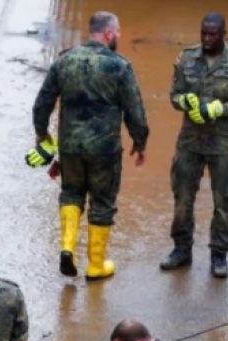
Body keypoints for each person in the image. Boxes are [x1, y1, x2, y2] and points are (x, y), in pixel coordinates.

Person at [31, 11, 149, 280]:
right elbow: (135, 110)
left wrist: (42, 135)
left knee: (71, 193)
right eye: (117, 32)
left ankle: (67, 248)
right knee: (102, 201)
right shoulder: (119, 66)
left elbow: (42, 104)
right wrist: (140, 141)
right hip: (104, 149)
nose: (119, 36)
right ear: (108, 33)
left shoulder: (64, 61)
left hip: (70, 146)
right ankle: (96, 265)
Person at [159, 12, 228, 278]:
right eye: (203, 33)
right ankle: (181, 250)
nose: (206, 38)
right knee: (182, 198)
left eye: (212, 34)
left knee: (222, 201)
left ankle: (219, 255)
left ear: (223, 34)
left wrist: (218, 109)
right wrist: (184, 102)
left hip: (223, 144)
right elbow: (175, 94)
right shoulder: (187, 58)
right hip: (190, 142)